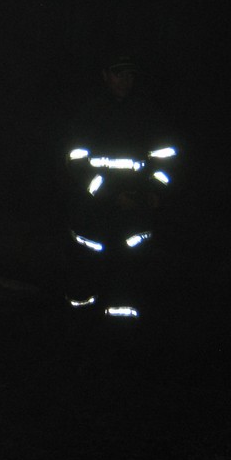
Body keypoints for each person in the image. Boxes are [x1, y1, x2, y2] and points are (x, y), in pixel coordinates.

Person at [61, 51, 178, 320]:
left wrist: (155, 192)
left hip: (135, 211)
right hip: (93, 213)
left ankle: (123, 332)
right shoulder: (88, 114)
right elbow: (76, 162)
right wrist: (111, 195)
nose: (125, 80)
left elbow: (167, 158)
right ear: (105, 76)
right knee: (86, 274)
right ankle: (80, 327)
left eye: (129, 74)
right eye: (118, 74)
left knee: (129, 275)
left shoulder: (148, 114)